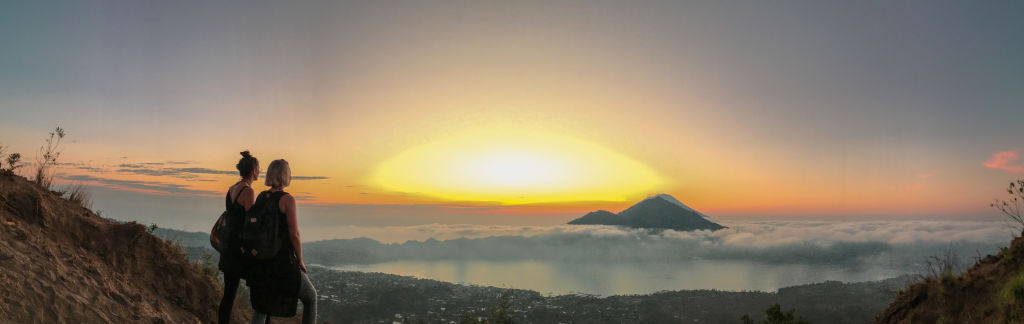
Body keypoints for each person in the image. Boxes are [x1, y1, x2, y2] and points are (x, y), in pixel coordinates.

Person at [248, 159, 317, 324]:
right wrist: (300, 260)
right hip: (281, 263)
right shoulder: (287, 199)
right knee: (311, 297)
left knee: (262, 307)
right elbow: (294, 234)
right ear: (285, 176)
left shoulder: (261, 197)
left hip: (261, 263)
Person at [213, 151, 259, 323]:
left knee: (228, 295)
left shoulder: (232, 188)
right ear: (253, 170)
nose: (259, 171)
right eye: (258, 168)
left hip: (228, 246)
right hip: (239, 249)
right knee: (259, 291)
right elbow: (251, 221)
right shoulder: (248, 191)